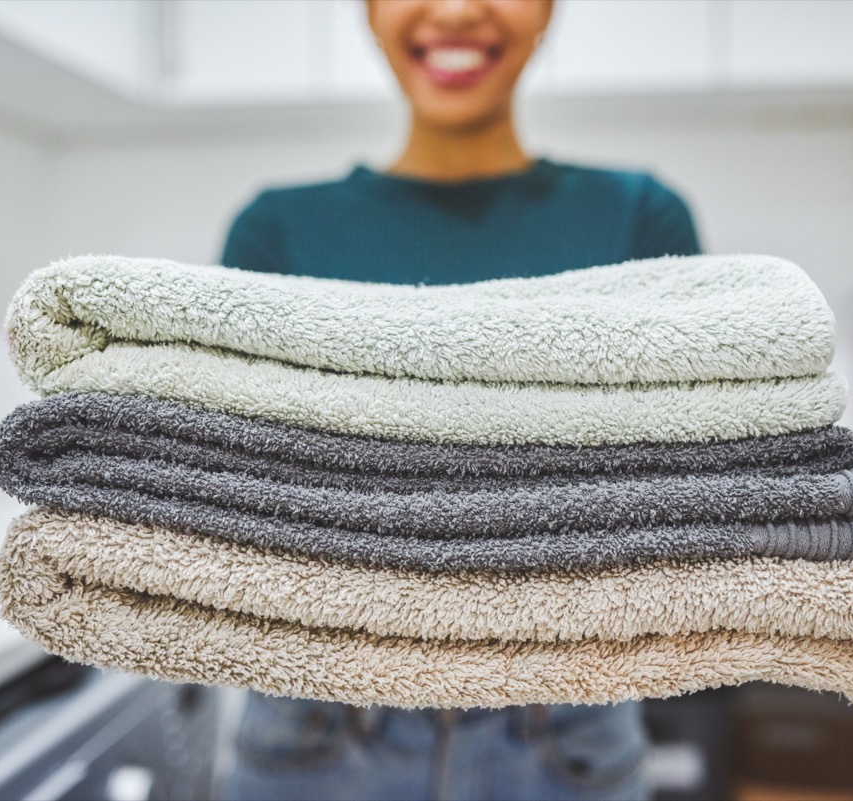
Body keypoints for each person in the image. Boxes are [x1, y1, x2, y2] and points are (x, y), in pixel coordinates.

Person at [218, 1, 700, 799]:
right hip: (319, 724)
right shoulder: (275, 232)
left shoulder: (640, 219)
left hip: (569, 721)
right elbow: (239, 498)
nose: (453, 9)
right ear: (368, 11)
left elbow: (684, 484)